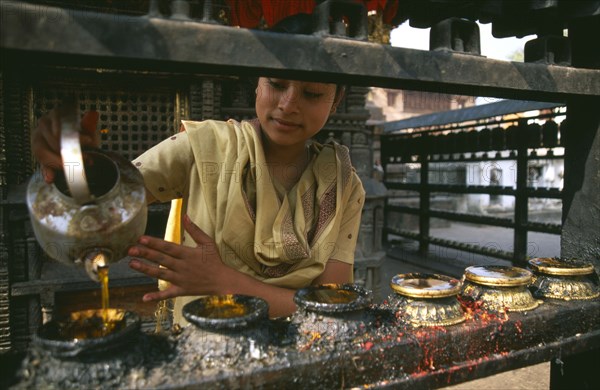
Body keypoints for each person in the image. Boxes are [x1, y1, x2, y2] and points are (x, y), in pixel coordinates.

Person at [31, 77, 366, 323]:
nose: (288, 104)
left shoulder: (343, 183)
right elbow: (95, 213)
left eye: (312, 93)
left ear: (336, 101)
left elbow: (333, 307)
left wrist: (225, 283)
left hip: (299, 356)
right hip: (205, 356)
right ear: (257, 84)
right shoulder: (202, 146)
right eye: (276, 84)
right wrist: (74, 165)